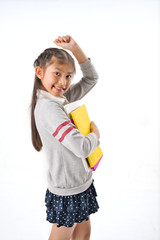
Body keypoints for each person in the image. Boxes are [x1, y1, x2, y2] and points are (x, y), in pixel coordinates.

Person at [30, 35, 100, 240]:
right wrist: (95, 135)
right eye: (57, 73)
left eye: (69, 76)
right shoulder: (50, 109)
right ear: (40, 72)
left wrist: (75, 49)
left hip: (80, 182)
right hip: (68, 190)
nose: (63, 81)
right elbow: (82, 147)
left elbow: (91, 79)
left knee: (83, 231)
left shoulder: (59, 98)